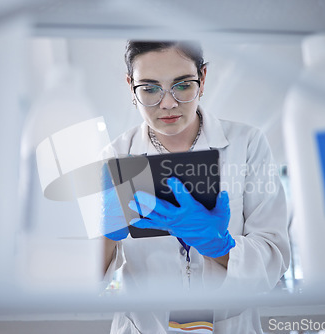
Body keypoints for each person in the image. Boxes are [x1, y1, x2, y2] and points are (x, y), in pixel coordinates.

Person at [100, 40, 290, 333]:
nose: (168, 103)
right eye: (149, 88)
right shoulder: (114, 157)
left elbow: (275, 256)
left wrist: (220, 247)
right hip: (144, 326)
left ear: (202, 79)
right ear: (130, 86)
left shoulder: (246, 144)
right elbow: (86, 278)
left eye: (183, 85)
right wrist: (106, 236)